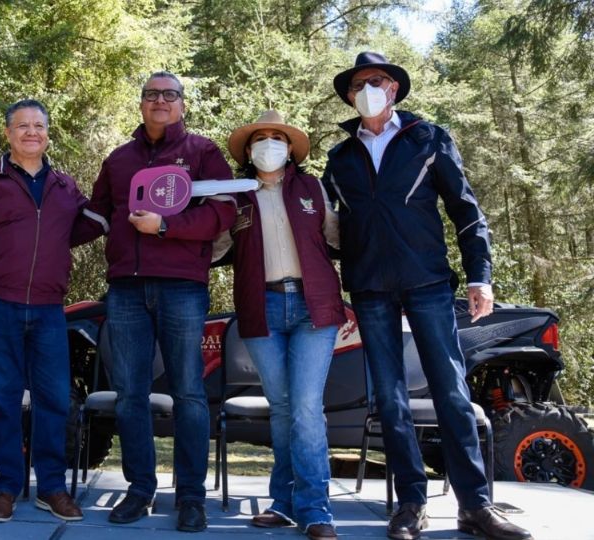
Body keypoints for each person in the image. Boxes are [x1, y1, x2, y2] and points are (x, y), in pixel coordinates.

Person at [323, 52, 532, 540]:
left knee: (452, 394)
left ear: (393, 89)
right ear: (351, 97)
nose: (367, 90)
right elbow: (332, 232)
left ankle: (475, 506)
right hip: (370, 290)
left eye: (375, 81)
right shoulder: (340, 159)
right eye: (358, 85)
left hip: (429, 286)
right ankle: (410, 504)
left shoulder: (428, 138)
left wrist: (481, 275)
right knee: (390, 400)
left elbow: (467, 211)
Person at [79, 71, 236, 532]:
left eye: (170, 95)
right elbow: (98, 215)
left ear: (182, 105)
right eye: (152, 95)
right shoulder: (119, 158)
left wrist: (168, 228)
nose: (160, 101)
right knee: (130, 395)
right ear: (141, 105)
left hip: (183, 286)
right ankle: (139, 491)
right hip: (125, 289)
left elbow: (224, 210)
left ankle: (190, 496)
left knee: (188, 392)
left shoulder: (202, 152)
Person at [0, 99, 93, 523]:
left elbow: (88, 224)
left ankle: (51, 488)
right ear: (8, 133)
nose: (32, 132)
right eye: (23, 126)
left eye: (39, 126)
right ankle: (6, 487)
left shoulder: (65, 188)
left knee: (54, 400)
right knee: (4, 400)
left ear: (48, 133)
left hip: (49, 310)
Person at [216, 110, 346, 540]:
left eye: (278, 137)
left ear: (290, 149)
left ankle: (316, 510)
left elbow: (339, 237)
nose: (269, 143)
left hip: (314, 307)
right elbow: (211, 245)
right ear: (249, 150)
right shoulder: (235, 196)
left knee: (307, 408)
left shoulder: (313, 188)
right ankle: (284, 503)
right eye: (261, 137)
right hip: (263, 307)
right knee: (284, 408)